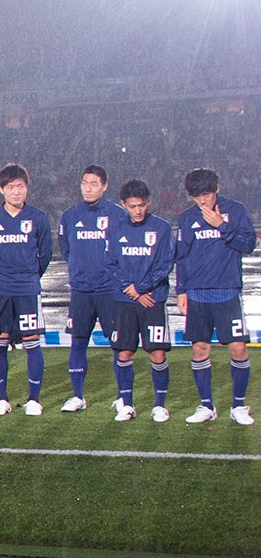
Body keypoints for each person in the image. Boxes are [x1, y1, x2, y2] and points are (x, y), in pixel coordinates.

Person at [174, 168, 256, 425]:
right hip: (197, 294)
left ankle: (239, 406)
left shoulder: (236, 210)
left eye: (206, 194)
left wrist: (222, 226)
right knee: (199, 349)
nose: (202, 201)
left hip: (227, 291)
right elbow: (182, 257)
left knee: (238, 347)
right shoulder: (187, 218)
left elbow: (248, 244)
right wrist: (181, 291)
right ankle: (206, 406)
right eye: (196, 196)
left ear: (217, 189)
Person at [0, 163, 53, 415]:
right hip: (0, 289)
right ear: (2, 189)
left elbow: (46, 254)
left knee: (32, 341)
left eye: (20, 187)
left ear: (27, 188)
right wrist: (1, 273)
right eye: (11, 187)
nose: (16, 192)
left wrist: (29, 275)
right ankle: (2, 399)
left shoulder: (38, 218)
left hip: (28, 289)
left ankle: (33, 399)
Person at [57, 165, 127, 413]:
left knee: (118, 343)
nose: (88, 188)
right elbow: (67, 250)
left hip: (109, 291)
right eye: (85, 183)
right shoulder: (69, 216)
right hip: (81, 291)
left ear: (105, 186)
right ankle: (78, 396)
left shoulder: (118, 215)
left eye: (94, 183)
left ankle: (122, 396)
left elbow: (123, 251)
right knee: (78, 342)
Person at [105, 179, 174, 422]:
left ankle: (159, 405)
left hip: (153, 300)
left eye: (142, 205)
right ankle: (127, 404)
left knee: (157, 353)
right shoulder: (115, 228)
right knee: (124, 352)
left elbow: (165, 264)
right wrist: (130, 290)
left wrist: (142, 288)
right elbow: (110, 263)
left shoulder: (162, 228)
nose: (138, 211)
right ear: (123, 204)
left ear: (149, 202)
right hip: (124, 301)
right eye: (133, 206)